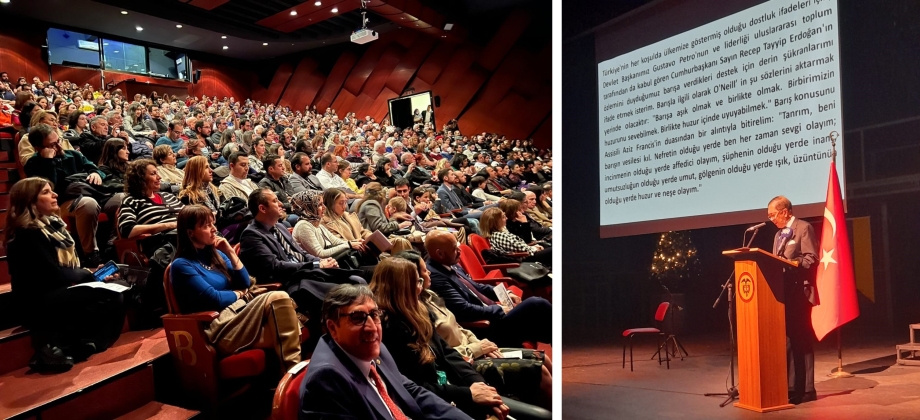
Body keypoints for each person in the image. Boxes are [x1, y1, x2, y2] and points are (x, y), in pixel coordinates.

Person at [371, 257, 549, 420]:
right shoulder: (389, 329)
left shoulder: (419, 312)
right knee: (541, 415)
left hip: (457, 384)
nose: (421, 285)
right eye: (417, 281)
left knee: (540, 406)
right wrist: (468, 394)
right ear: (402, 288)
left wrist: (480, 386)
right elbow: (417, 386)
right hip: (442, 401)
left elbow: (448, 355)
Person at [299, 284, 470, 419]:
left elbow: (410, 391)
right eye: (357, 318)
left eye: (374, 315)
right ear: (332, 328)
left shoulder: (375, 348)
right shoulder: (326, 380)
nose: (372, 328)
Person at [5, 177, 124, 372]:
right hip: (37, 299)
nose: (55, 195)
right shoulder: (26, 232)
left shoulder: (53, 226)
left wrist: (91, 276)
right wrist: (89, 275)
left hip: (58, 288)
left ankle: (85, 344)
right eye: (45, 192)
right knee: (110, 295)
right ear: (30, 201)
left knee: (114, 290)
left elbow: (65, 272)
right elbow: (52, 274)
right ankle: (75, 346)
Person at [170, 205, 302, 372]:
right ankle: (294, 375)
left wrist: (230, 252)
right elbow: (215, 298)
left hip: (240, 317)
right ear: (190, 233)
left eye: (213, 223)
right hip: (219, 328)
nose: (214, 229)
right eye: (206, 226)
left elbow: (245, 282)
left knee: (284, 327)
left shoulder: (217, 255)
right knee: (278, 297)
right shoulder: (182, 265)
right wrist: (240, 294)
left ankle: (290, 375)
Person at [425, 230, 551, 348]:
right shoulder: (436, 277)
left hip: (491, 315)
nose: (459, 251)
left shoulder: (450, 263)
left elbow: (476, 286)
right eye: (454, 249)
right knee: (536, 304)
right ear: (440, 253)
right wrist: (499, 309)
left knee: (538, 321)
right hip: (485, 328)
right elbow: (463, 309)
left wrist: (505, 293)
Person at [24, 123, 106, 265]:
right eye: (52, 145)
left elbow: (97, 169)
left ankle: (114, 245)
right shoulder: (33, 164)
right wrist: (48, 162)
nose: (59, 147)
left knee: (120, 199)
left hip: (91, 192)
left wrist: (96, 173)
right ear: (39, 148)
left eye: (58, 141)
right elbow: (50, 190)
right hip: (61, 202)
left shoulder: (72, 154)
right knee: (88, 204)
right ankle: (91, 253)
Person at [767, 195, 818, 404]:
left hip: (800, 292)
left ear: (785, 211)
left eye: (772, 214)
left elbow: (811, 258)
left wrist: (790, 262)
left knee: (801, 340)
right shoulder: (779, 235)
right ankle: (789, 387)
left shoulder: (803, 228)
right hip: (783, 293)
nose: (771, 219)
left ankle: (807, 389)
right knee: (787, 341)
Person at [118, 159, 182, 254]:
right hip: (162, 243)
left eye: (158, 173)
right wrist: (168, 225)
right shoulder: (132, 201)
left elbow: (190, 215)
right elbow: (128, 230)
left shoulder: (169, 196)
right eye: (153, 174)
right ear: (140, 178)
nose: (159, 177)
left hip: (185, 235)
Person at [290, 190, 367, 259]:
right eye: (319, 205)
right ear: (308, 207)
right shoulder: (303, 226)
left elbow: (336, 242)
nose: (324, 207)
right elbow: (320, 254)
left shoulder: (317, 224)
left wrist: (355, 242)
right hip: (319, 270)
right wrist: (349, 245)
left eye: (323, 204)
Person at [480, 207, 551, 267]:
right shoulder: (498, 235)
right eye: (503, 217)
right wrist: (535, 248)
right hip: (523, 260)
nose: (506, 218)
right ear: (495, 221)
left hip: (526, 254)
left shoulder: (501, 232)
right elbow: (522, 249)